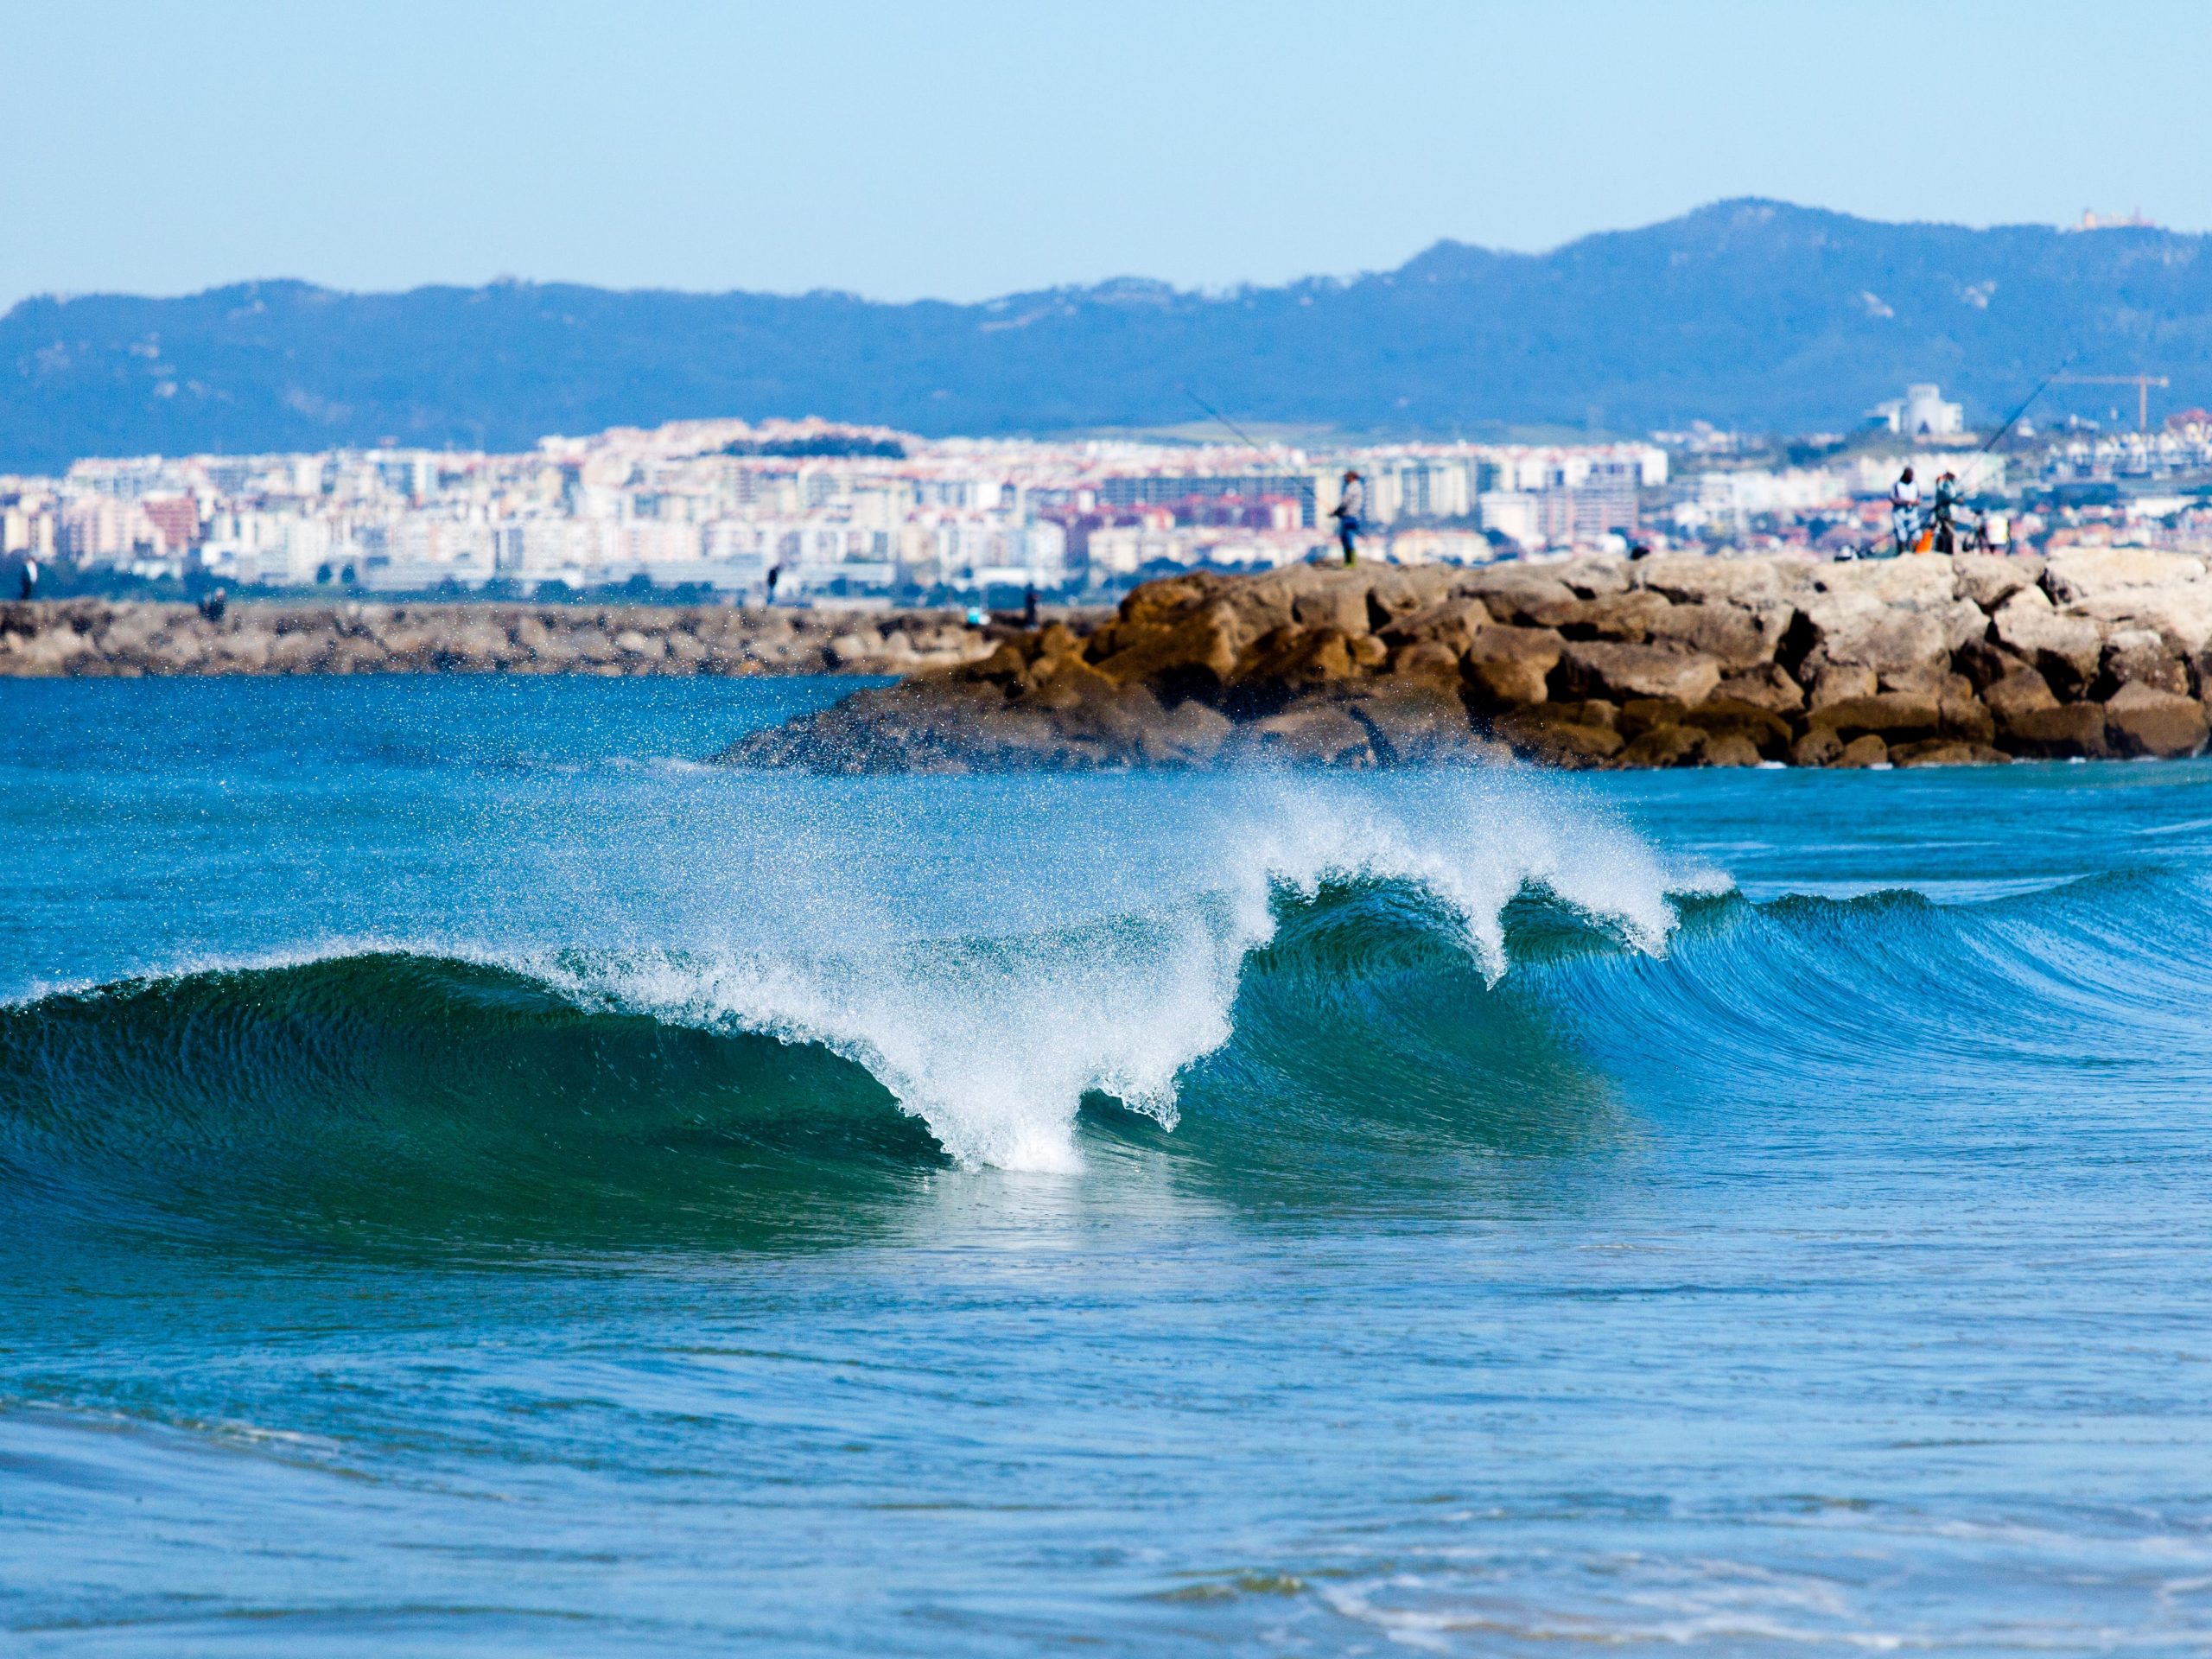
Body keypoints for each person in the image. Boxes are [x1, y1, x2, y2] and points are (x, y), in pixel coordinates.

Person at [1330, 469, 1365, 566]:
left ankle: (1350, 562)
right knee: (1346, 539)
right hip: (1351, 516)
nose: (1345, 479)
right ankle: (1349, 562)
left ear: (1352, 477)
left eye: (1347, 477)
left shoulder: (1352, 487)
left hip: (1350, 517)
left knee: (1347, 539)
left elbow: (1345, 501)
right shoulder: (1358, 487)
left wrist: (1337, 511)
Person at [1889, 466, 1921, 556]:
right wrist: (1904, 502)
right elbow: (1892, 498)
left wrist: (1914, 502)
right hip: (1899, 512)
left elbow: (1919, 498)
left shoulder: (1915, 484)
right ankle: (1901, 553)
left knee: (1916, 533)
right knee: (1901, 535)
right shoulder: (1897, 485)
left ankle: (1915, 552)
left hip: (1912, 512)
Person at [1930, 471, 1964, 555]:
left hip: (1950, 513)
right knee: (1947, 535)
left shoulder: (1948, 485)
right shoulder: (1945, 484)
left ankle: (1942, 552)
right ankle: (1947, 553)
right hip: (1947, 514)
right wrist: (1956, 500)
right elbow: (1947, 498)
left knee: (1946, 534)